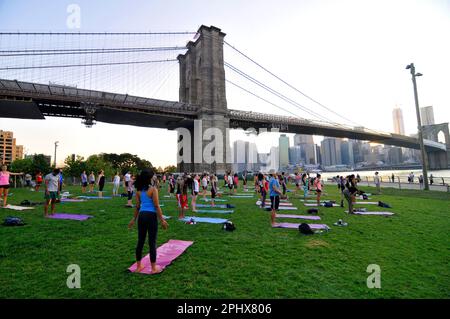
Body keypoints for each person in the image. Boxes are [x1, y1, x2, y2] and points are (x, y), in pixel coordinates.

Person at [128, 169, 168, 274]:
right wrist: (162, 220)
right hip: (151, 216)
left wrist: (134, 219)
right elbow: (156, 206)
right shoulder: (153, 189)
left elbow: (137, 206)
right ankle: (154, 268)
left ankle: (138, 266)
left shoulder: (138, 191)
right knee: (152, 242)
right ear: (149, 178)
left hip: (141, 216)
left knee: (140, 241)